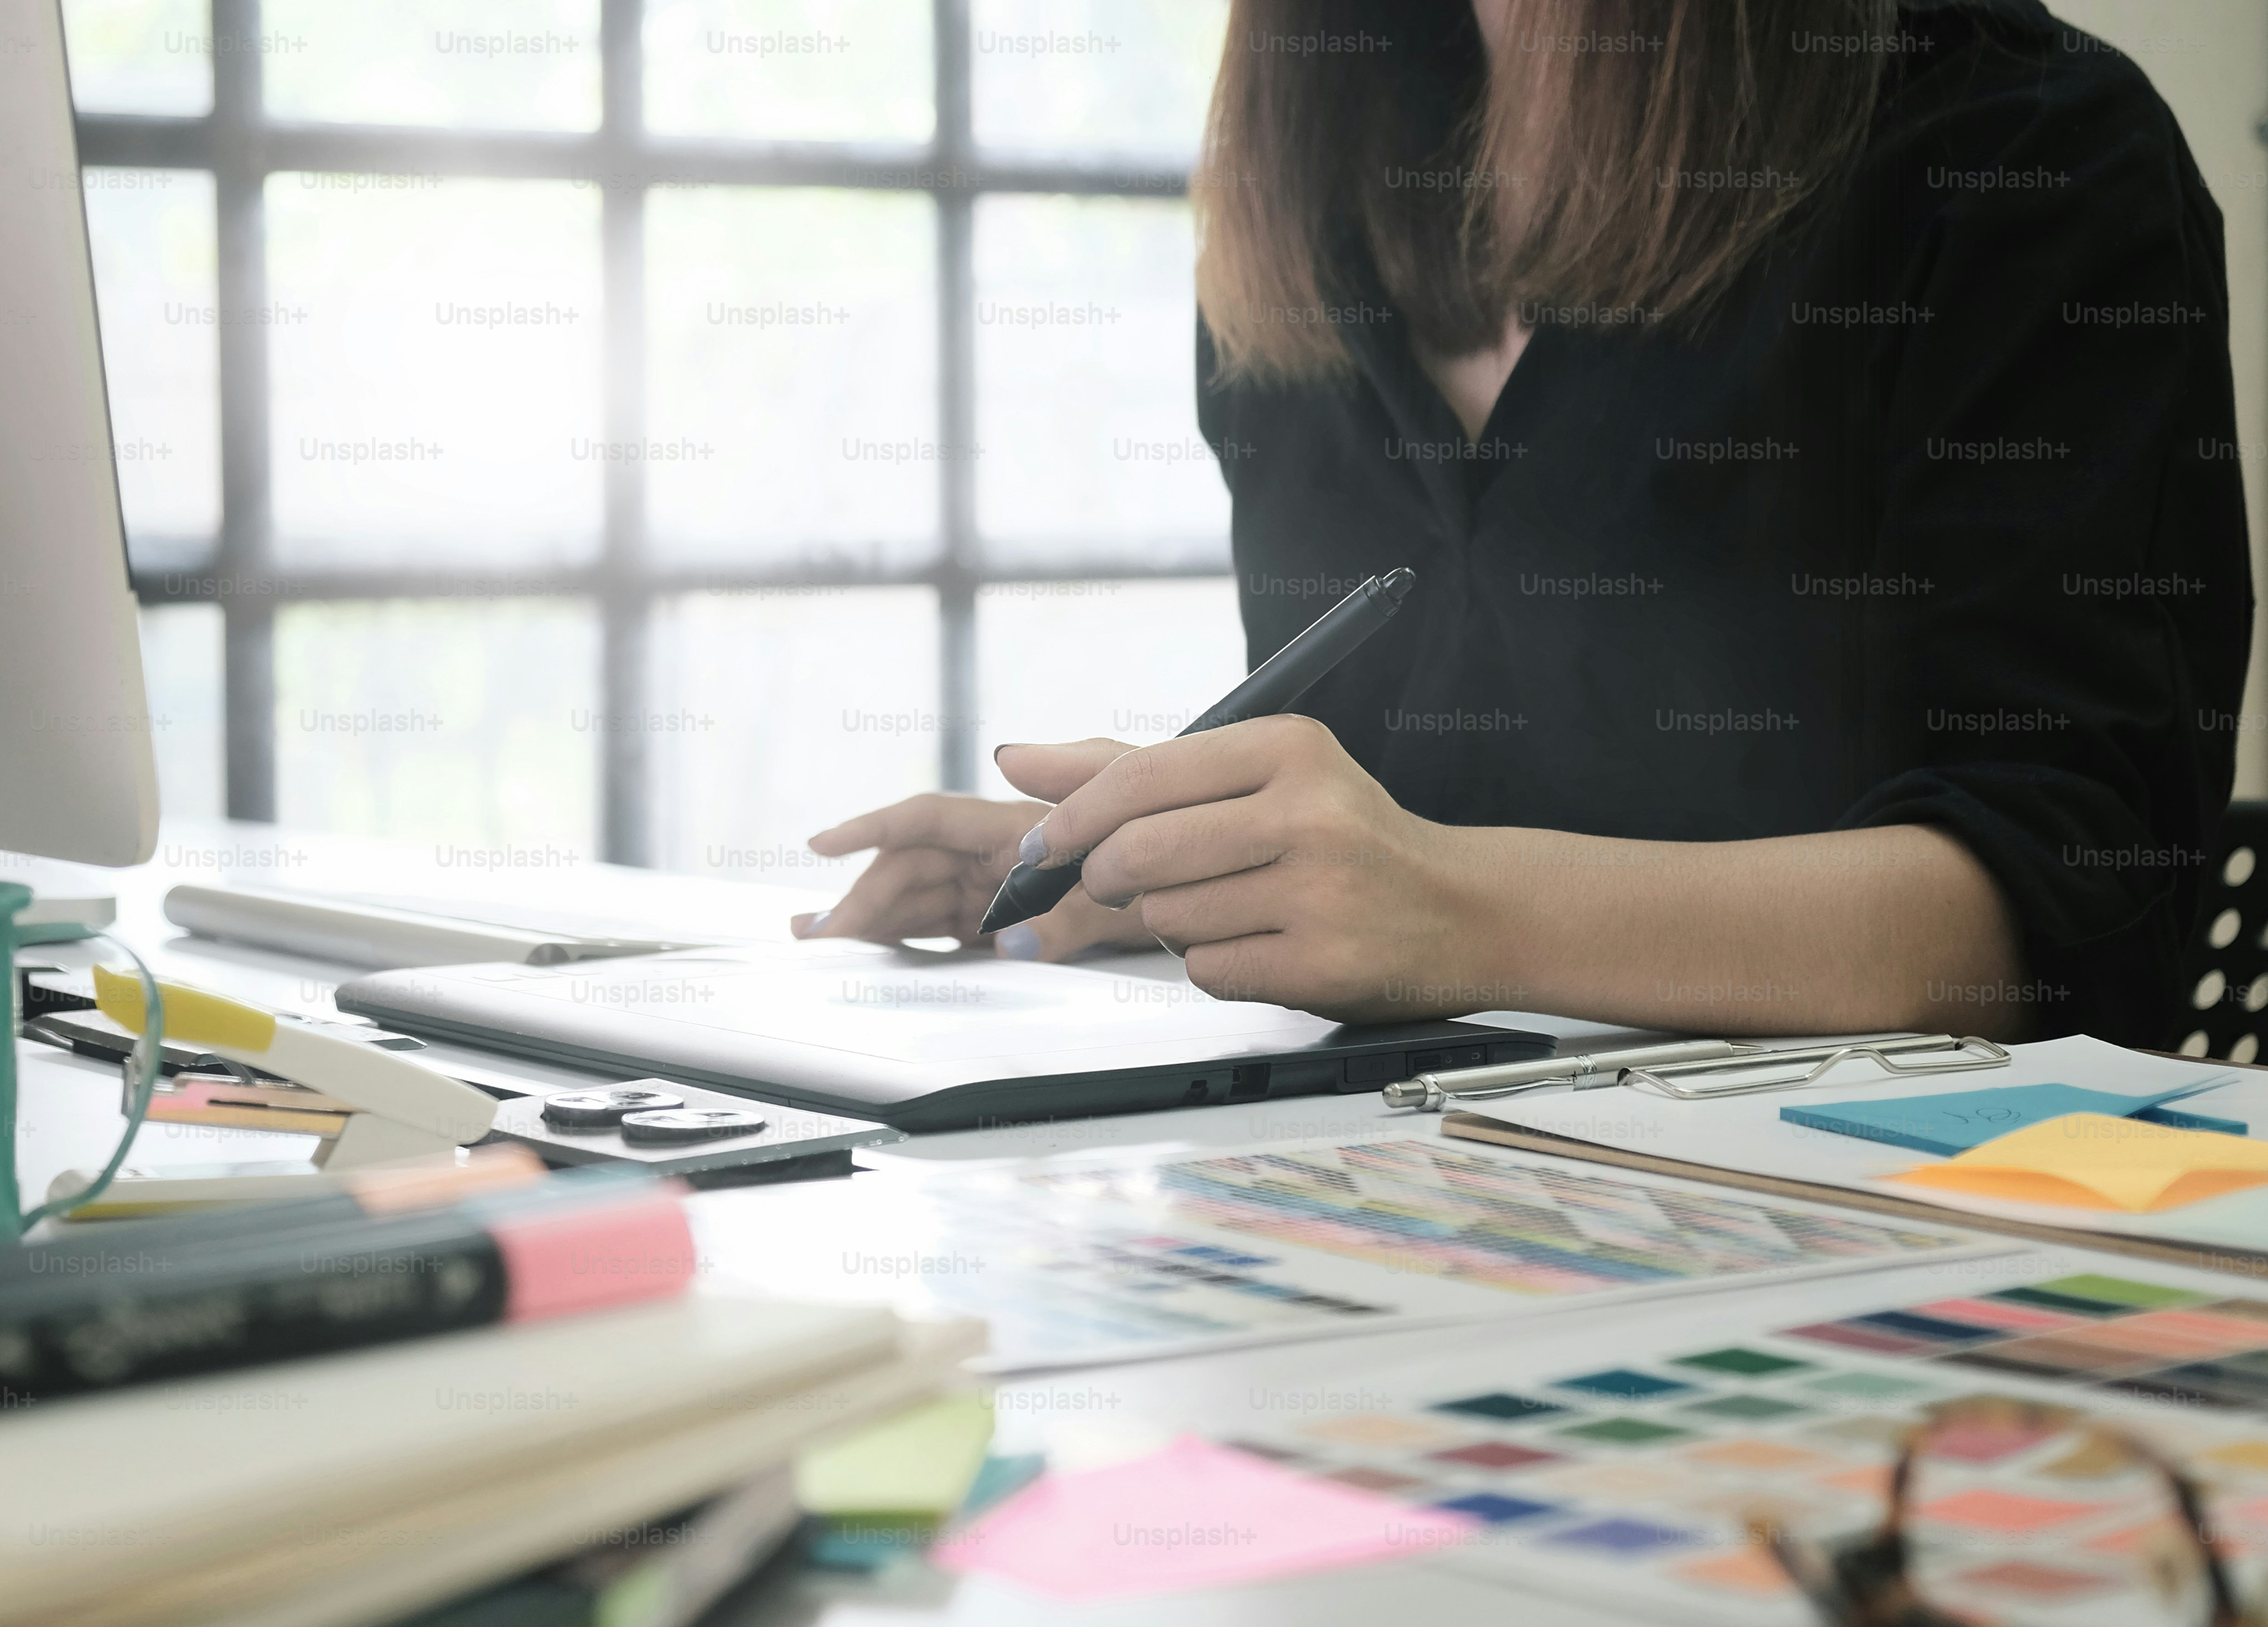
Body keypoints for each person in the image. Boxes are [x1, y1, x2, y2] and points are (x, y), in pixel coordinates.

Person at [793, 0, 2251, 1048]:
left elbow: (2069, 920)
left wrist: (1447, 908)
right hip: (1385, 1199)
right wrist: (1163, 872)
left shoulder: (2026, 150)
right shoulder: (1314, 198)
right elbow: (1376, 814)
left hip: (1865, 1233)